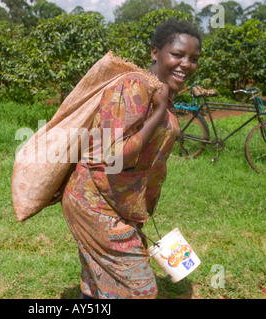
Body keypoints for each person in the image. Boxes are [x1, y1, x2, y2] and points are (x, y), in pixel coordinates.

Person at [60, 19, 202, 299]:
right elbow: (113, 156)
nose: (186, 64)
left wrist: (146, 200)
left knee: (99, 283)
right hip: (96, 202)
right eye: (177, 54)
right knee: (141, 291)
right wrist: (160, 110)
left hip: (116, 202)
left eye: (193, 58)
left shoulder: (159, 91)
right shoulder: (134, 87)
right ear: (154, 53)